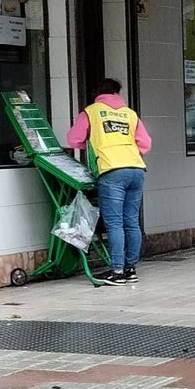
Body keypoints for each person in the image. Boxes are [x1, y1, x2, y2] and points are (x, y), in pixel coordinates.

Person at [66, 78, 151, 285]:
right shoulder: (129, 114)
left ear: (98, 92)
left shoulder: (91, 112)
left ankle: (117, 271)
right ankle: (131, 270)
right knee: (131, 221)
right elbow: (146, 143)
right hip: (136, 168)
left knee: (114, 223)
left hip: (112, 170)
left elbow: (73, 139)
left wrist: (95, 145)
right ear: (117, 92)